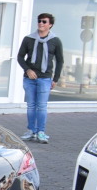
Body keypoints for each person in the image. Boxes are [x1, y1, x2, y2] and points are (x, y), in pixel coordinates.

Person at [15, 12, 63, 144]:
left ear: (50, 25)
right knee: (31, 106)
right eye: (39, 21)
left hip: (45, 78)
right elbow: (20, 57)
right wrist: (27, 69)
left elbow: (60, 61)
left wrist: (55, 79)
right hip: (29, 78)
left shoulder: (55, 41)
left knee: (41, 106)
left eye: (44, 21)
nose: (41, 23)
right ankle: (31, 131)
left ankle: (41, 132)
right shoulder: (28, 39)